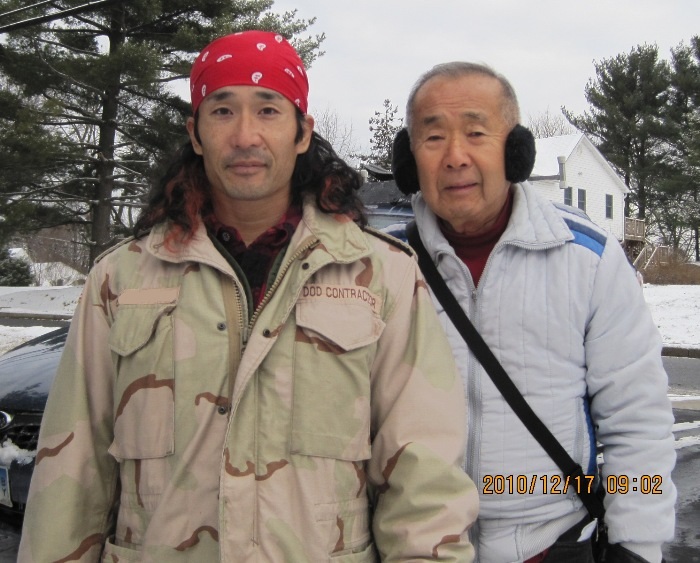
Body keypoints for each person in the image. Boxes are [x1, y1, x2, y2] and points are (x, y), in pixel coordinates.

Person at [18, 33, 478, 562]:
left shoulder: (381, 275)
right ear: (195, 133)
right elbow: (71, 476)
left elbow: (424, 478)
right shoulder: (121, 278)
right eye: (222, 111)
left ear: (302, 132)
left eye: (268, 110)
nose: (245, 136)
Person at [389, 62, 676, 563]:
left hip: (552, 546)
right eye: (433, 138)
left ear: (516, 150)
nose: (455, 157)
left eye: (476, 133)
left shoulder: (587, 259)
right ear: (407, 160)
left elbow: (637, 417)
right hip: (415, 549)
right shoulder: (380, 268)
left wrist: (639, 544)